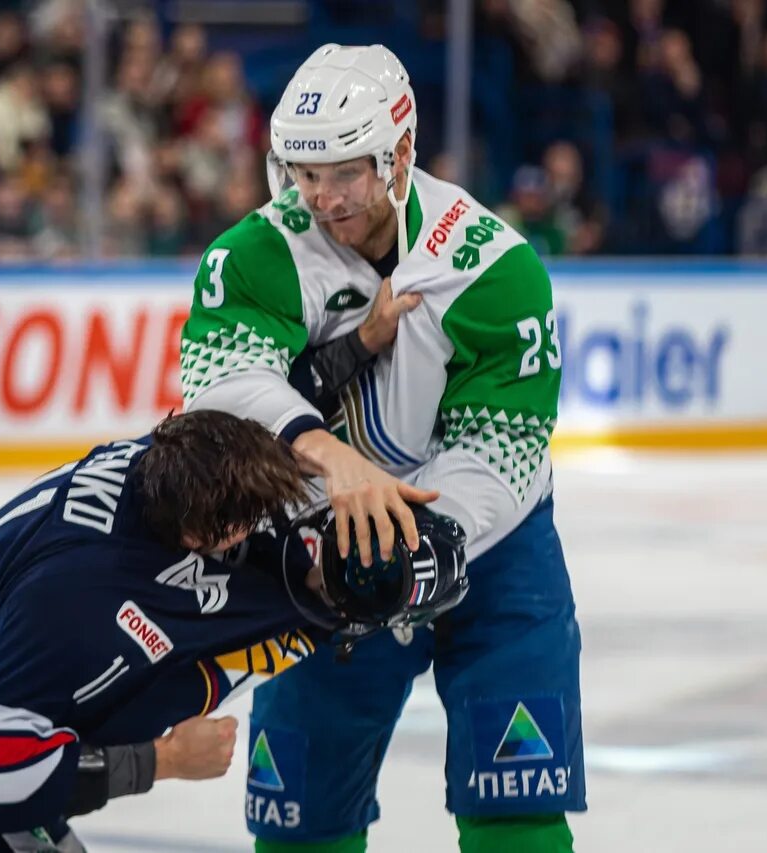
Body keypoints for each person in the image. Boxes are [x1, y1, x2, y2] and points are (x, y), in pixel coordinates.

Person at [180, 44, 584, 853]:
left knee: (516, 804)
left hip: (493, 550)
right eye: (303, 171)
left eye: (344, 172)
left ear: (399, 153)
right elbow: (217, 393)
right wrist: (334, 463)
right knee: (301, 817)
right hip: (324, 547)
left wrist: (416, 542)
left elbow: (502, 446)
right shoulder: (254, 254)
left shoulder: (495, 270)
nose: (322, 198)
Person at [0, 410, 469, 853]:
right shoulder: (82, 602)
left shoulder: (166, 458)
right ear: (202, 537)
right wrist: (165, 759)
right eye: (244, 527)